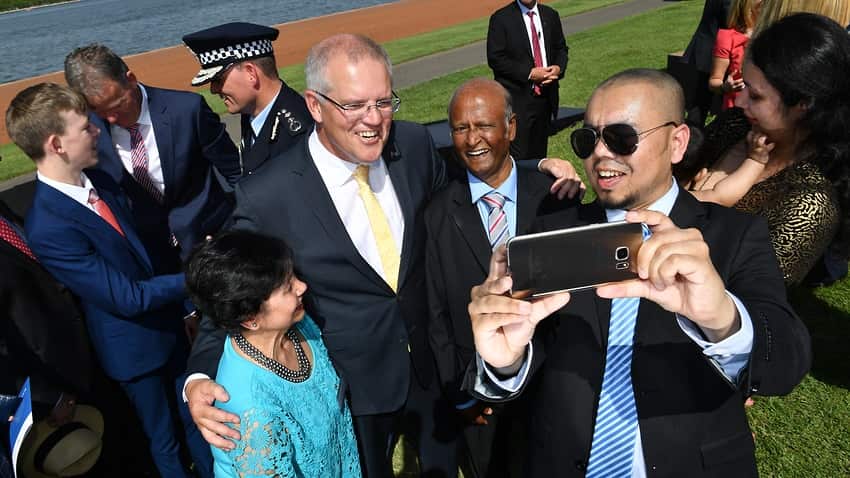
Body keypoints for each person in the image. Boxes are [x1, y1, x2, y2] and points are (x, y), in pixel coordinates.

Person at [464, 68, 811, 477]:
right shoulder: (551, 232)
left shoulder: (731, 235)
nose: (600, 154)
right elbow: (530, 362)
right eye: (587, 139)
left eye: (622, 138)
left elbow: (785, 362)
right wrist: (505, 362)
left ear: (677, 142)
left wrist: (722, 319)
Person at [184, 33, 455, 478]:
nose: (374, 121)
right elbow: (229, 294)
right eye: (354, 106)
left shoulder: (414, 146)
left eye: (384, 102)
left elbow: (454, 201)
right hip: (352, 389)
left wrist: (535, 170)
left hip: (433, 362)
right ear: (314, 105)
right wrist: (197, 379)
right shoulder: (268, 196)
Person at [6, 83, 212, 478]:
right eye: (85, 127)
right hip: (134, 352)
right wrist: (196, 280)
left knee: (199, 424)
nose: (97, 130)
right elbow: (126, 297)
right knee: (165, 444)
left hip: (173, 328)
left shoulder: (101, 179)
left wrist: (185, 308)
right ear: (57, 144)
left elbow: (149, 251)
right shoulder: (49, 227)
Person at [425, 77, 582, 478]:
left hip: (560, 386)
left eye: (485, 125)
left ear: (511, 128)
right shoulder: (437, 214)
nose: (472, 138)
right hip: (481, 396)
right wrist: (461, 398)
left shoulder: (558, 195)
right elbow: (436, 316)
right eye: (460, 128)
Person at [685, 13, 850, 286]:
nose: (739, 101)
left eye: (756, 95)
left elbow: (754, 293)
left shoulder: (811, 204)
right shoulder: (738, 125)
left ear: (803, 103)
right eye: (743, 86)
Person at [185, 231, 361, 477]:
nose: (302, 287)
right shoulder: (250, 407)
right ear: (251, 319)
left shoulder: (299, 324)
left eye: (294, 277)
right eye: (287, 287)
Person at [64, 44, 241, 266]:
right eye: (99, 111)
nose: (110, 118)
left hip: (216, 244)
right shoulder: (88, 136)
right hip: (152, 261)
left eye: (117, 104)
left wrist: (241, 231)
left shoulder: (187, 110)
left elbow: (235, 173)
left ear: (131, 79)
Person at [183, 22, 313, 175]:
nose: (213, 89)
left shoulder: (299, 134)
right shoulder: (250, 116)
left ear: (251, 73)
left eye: (218, 79)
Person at [487, 0, 568, 160]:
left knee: (540, 155)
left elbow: (561, 49)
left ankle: (537, 184)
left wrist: (558, 68)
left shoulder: (550, 15)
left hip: (545, 98)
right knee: (520, 157)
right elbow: (496, 58)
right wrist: (529, 74)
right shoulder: (501, 19)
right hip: (518, 101)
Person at [682, 0, 732, 127]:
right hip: (717, 49)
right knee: (710, 99)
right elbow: (730, 18)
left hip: (707, 45)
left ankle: (693, 137)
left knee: (701, 100)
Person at [708, 0, 761, 110]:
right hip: (738, 109)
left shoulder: (772, 33)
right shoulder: (727, 37)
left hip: (767, 110)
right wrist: (725, 87)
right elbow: (714, 81)